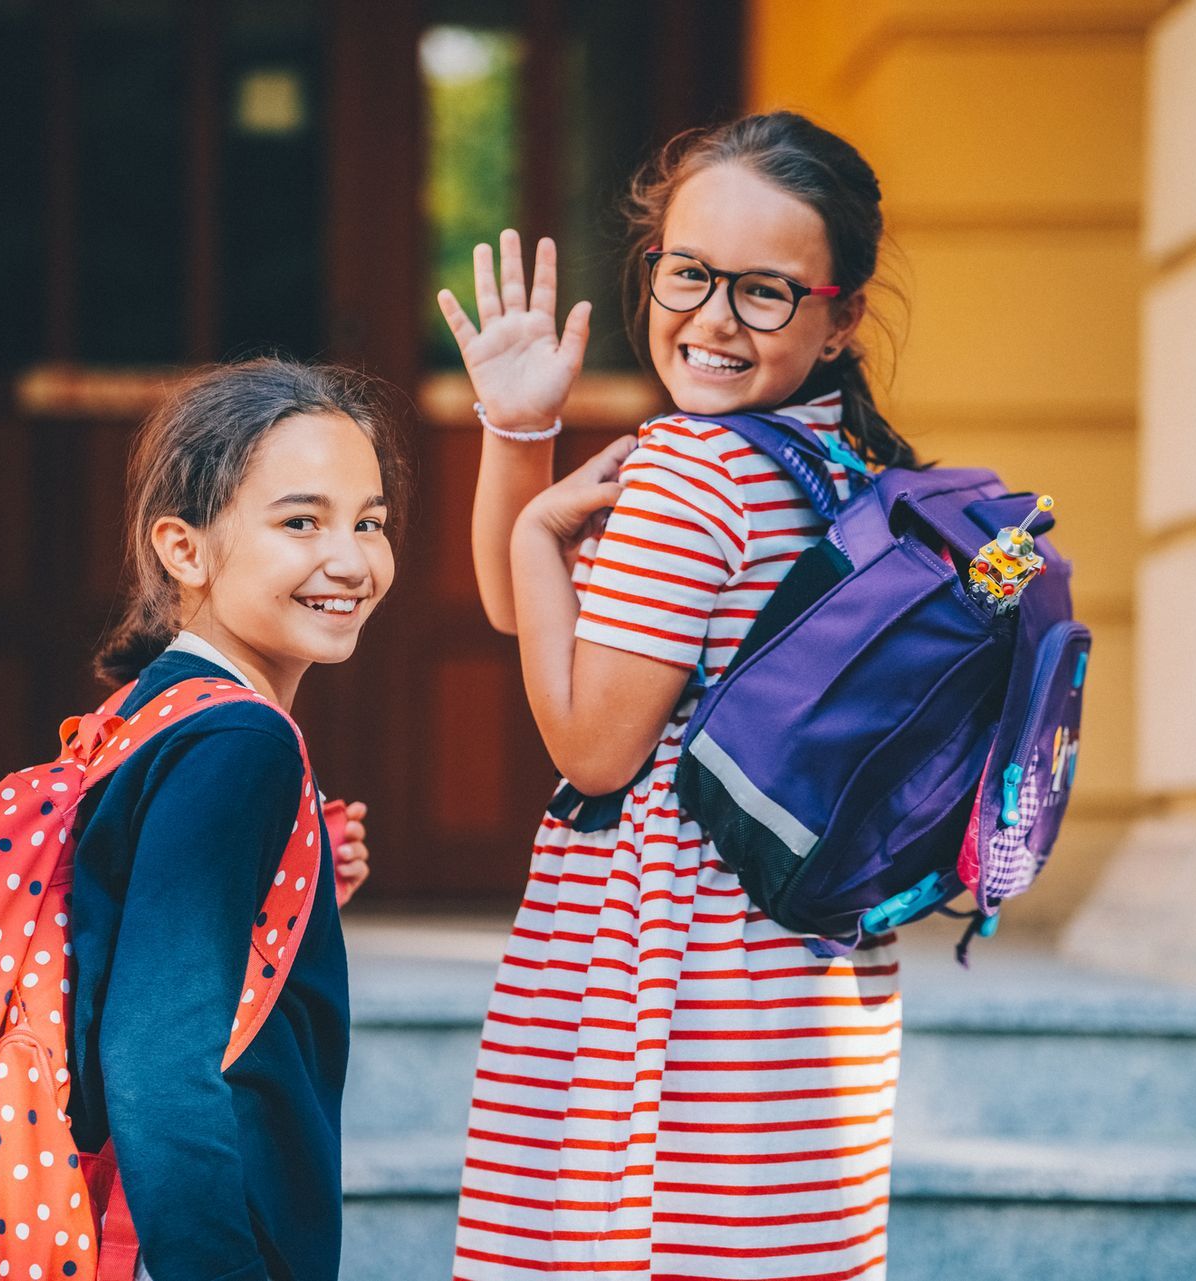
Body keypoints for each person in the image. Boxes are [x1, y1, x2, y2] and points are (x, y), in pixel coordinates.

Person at [435, 112, 919, 1279]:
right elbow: (533, 620)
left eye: (765, 293)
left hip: (671, 976)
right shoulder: (844, 462)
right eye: (688, 274)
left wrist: (549, 529)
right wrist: (521, 432)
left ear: (840, 312)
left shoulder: (692, 474)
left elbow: (596, 746)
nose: (710, 318)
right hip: (800, 989)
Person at [65, 357, 401, 1281]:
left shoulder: (152, 711)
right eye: (302, 521)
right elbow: (159, 1056)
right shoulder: (239, 742)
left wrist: (295, 889)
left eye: (369, 522)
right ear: (185, 548)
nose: (351, 558)